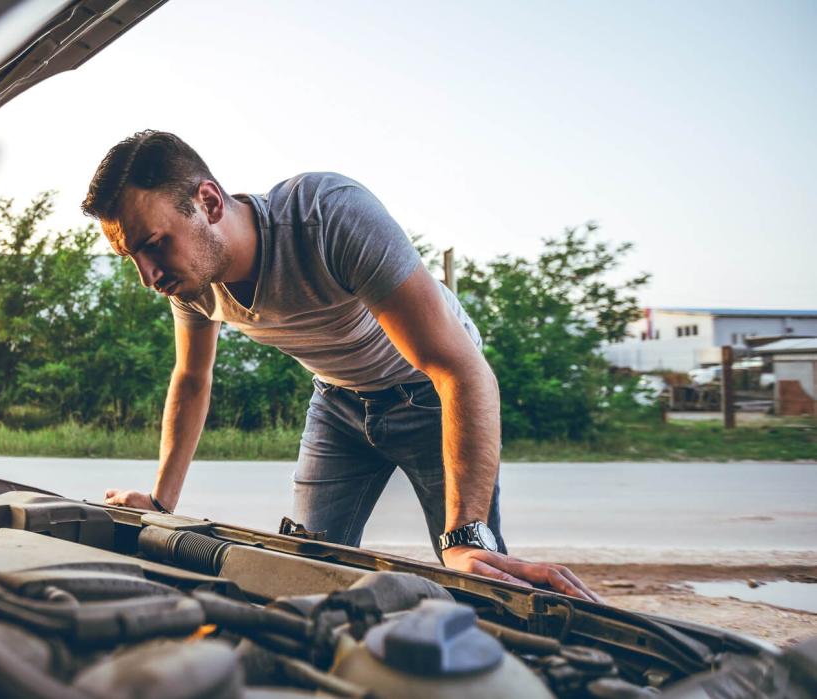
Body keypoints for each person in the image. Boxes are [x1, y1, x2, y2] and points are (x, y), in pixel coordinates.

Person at [81, 130, 600, 602]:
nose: (148, 276)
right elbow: (192, 379)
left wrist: (465, 534)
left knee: (478, 577)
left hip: (429, 393)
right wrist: (159, 502)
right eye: (132, 256)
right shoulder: (190, 282)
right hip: (336, 404)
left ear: (209, 202)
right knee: (299, 577)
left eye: (153, 245)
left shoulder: (328, 215)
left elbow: (461, 370)